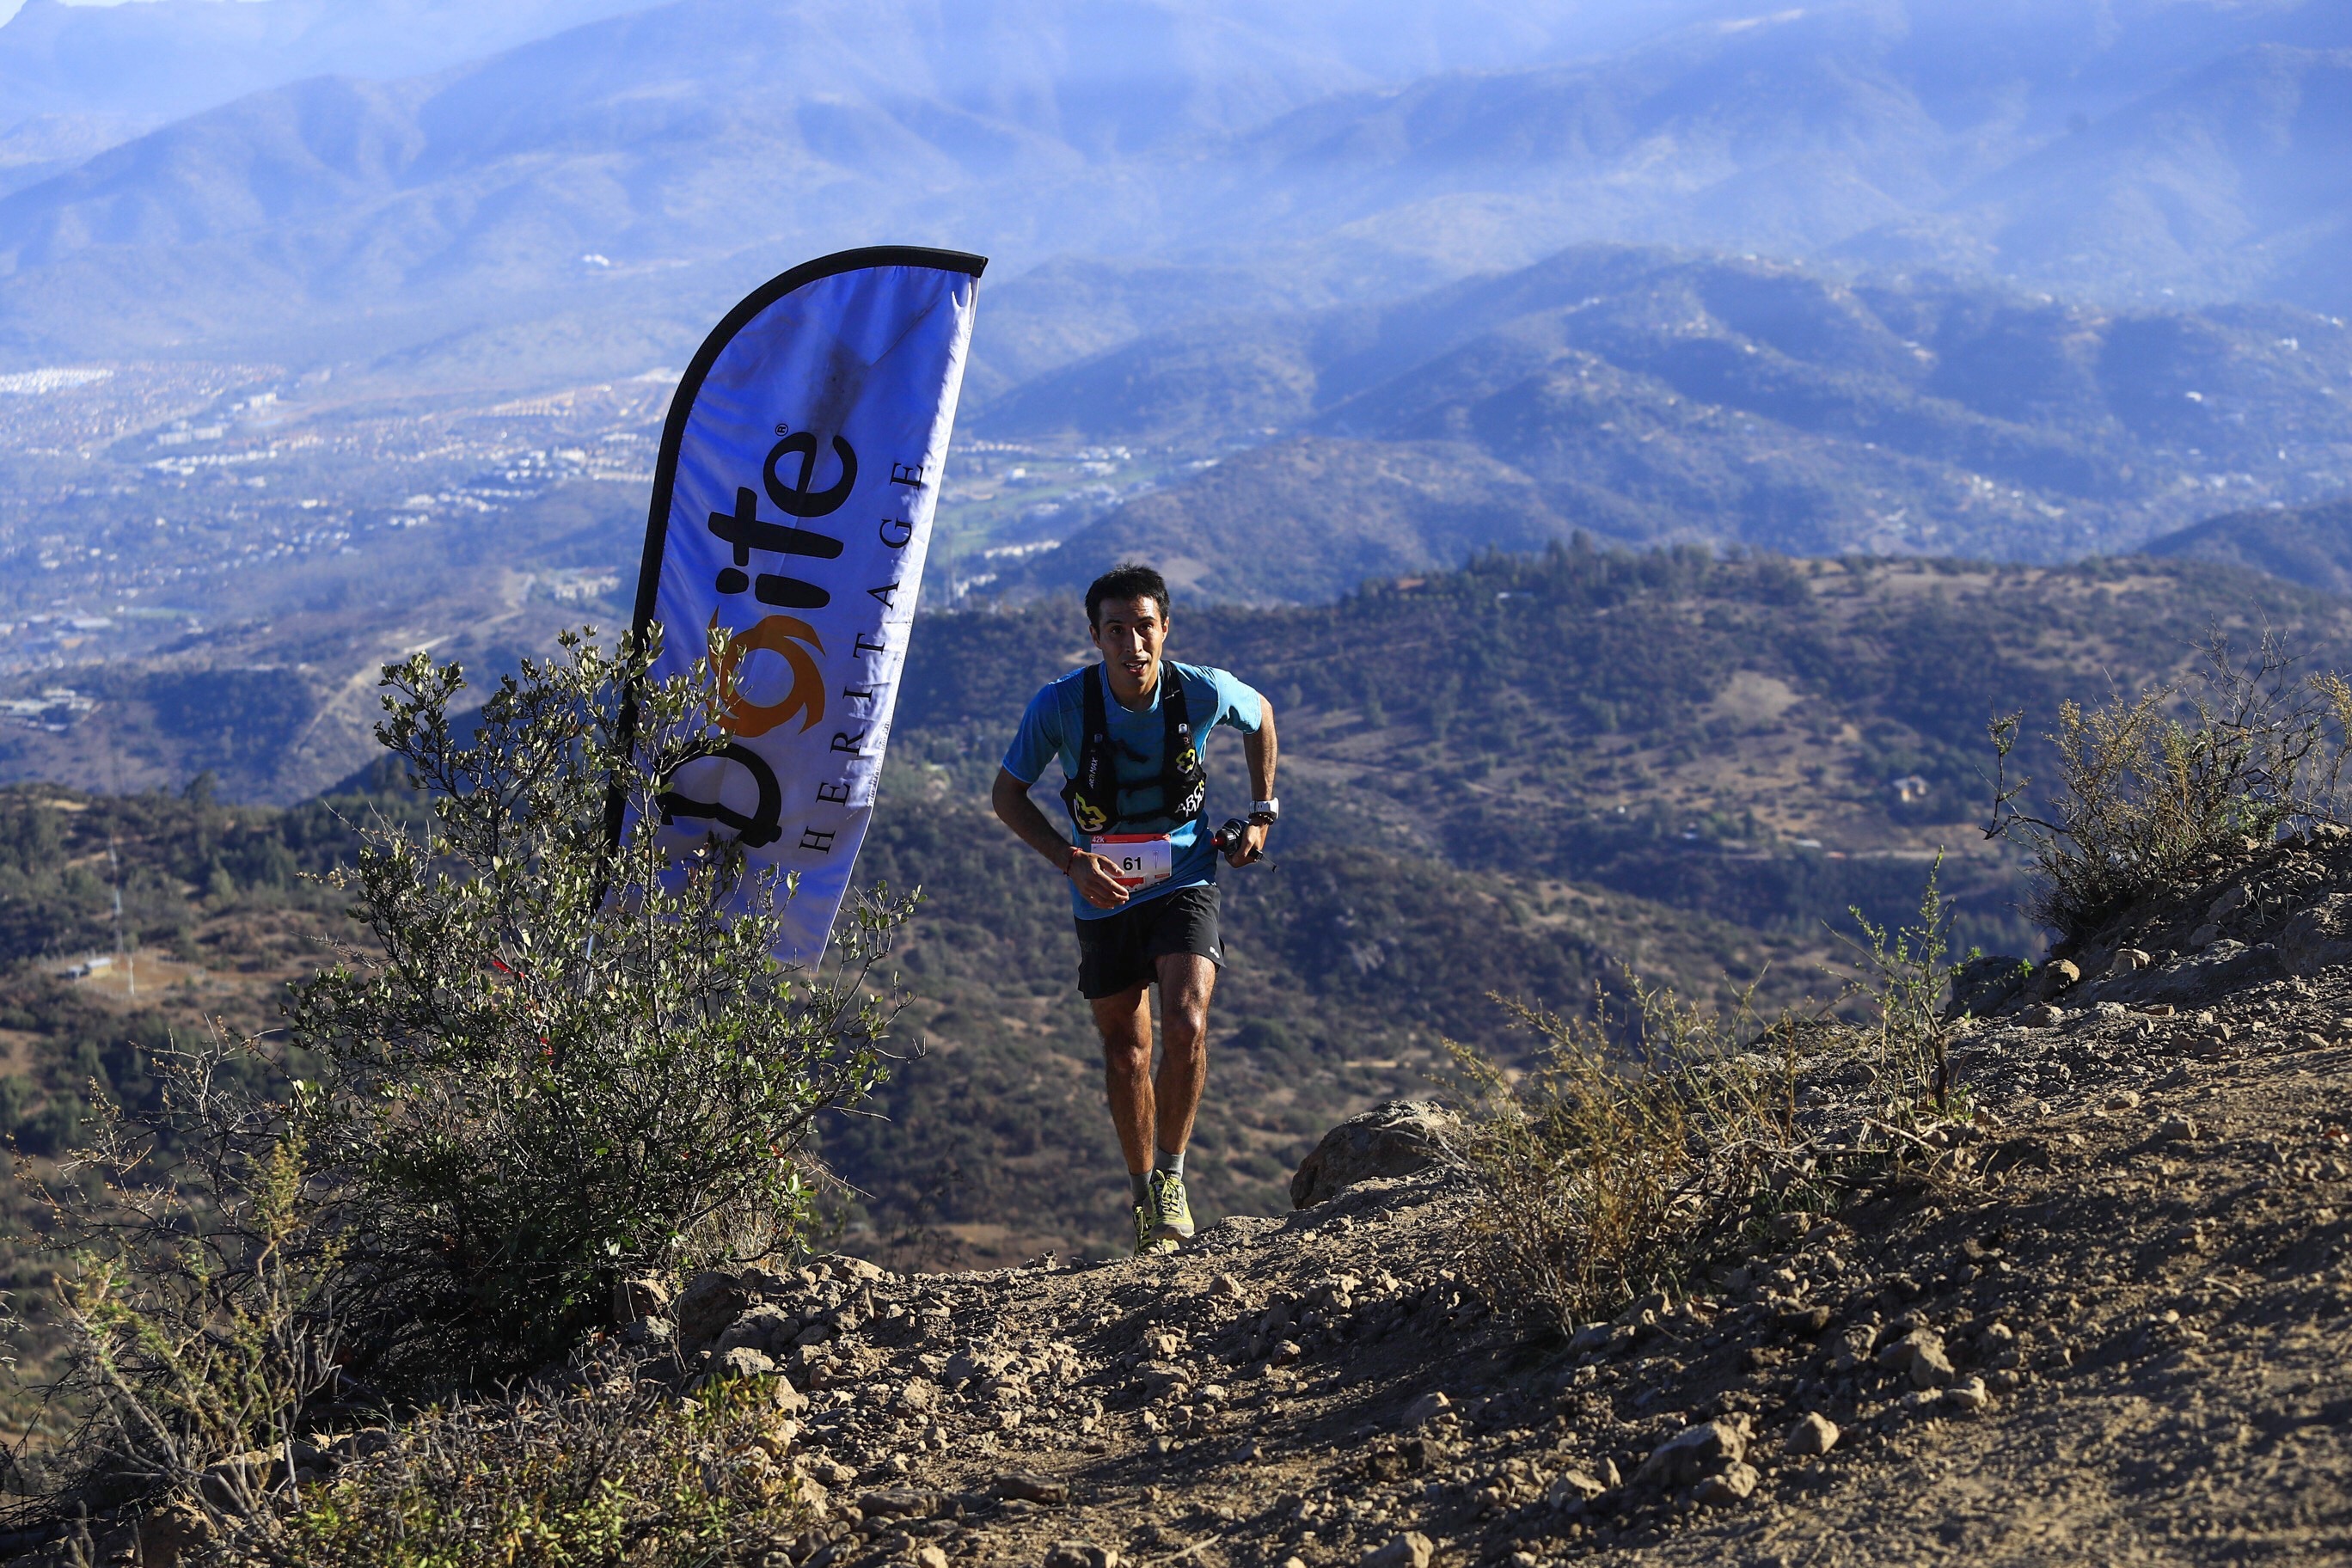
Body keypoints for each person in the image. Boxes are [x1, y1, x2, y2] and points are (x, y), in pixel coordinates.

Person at [991, 563, 1278, 1256]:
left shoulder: (1202, 690)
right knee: (1126, 1049)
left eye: (1144, 627)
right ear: (1095, 636)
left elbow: (1262, 714)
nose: (1133, 644)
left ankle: (1173, 1177)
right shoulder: (1060, 705)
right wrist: (1070, 861)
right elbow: (1006, 795)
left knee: (1186, 1023)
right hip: (1103, 890)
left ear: (1165, 628)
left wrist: (1262, 813)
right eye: (1116, 630)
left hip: (1186, 875)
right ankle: (1145, 1192)